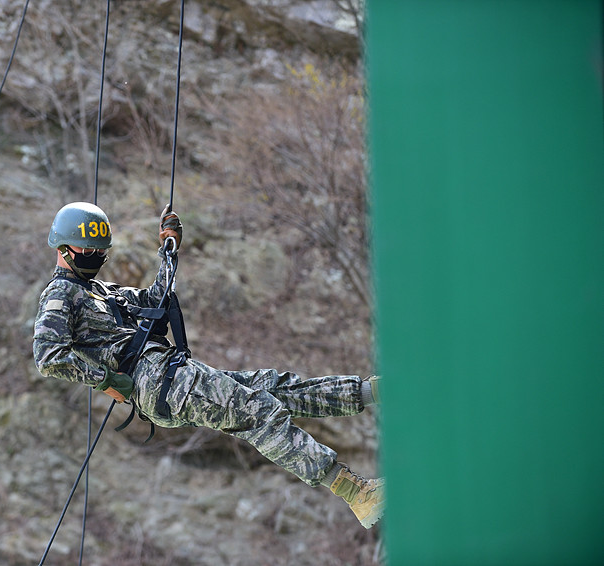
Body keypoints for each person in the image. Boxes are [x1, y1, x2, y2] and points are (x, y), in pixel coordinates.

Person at [33, 202, 385, 529]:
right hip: (157, 383)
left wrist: (169, 251)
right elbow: (48, 356)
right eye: (89, 251)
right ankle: (356, 493)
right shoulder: (59, 296)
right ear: (63, 249)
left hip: (169, 374)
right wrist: (108, 381)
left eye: (101, 251)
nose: (97, 256)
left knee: (273, 387)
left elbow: (157, 299)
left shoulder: (102, 292)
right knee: (257, 412)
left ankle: (374, 391)